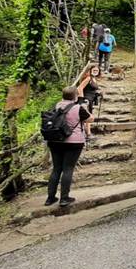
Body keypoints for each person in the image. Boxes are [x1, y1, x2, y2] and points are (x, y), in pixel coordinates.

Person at [45, 79, 94, 207]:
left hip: (55, 140)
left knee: (56, 169)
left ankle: (50, 198)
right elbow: (90, 119)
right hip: (74, 142)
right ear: (75, 96)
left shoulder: (56, 106)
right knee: (68, 168)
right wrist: (84, 106)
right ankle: (64, 198)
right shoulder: (78, 108)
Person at [82, 65, 102, 138]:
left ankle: (88, 133)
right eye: (94, 70)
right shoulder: (88, 78)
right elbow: (80, 88)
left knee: (89, 116)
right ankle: (86, 133)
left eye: (97, 70)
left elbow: (92, 89)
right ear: (90, 70)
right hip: (86, 100)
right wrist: (82, 100)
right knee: (87, 116)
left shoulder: (94, 79)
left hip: (91, 100)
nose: (95, 71)